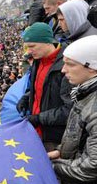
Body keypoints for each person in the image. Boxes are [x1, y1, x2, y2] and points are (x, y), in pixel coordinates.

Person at [50, 35, 97, 184]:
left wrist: (57, 167)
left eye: (70, 64)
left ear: (92, 68)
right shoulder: (85, 93)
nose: (62, 69)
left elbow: (94, 164)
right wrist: (61, 152)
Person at [18, 22, 72, 150]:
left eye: (32, 46)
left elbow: (70, 110)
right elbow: (41, 89)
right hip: (38, 132)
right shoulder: (38, 60)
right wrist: (27, 98)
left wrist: (39, 118)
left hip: (56, 139)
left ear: (48, 42)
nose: (28, 52)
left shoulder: (66, 66)